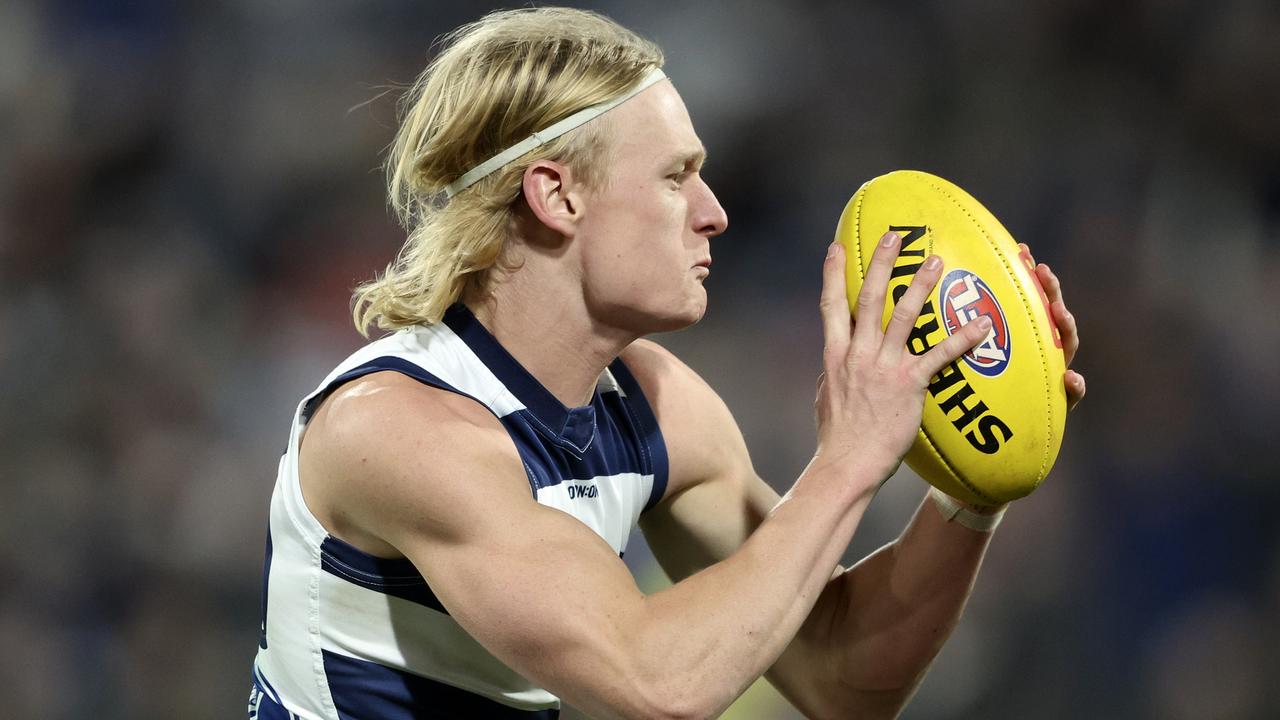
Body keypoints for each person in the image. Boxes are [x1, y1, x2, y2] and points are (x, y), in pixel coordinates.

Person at [248, 7, 1085, 719]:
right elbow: (654, 684)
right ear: (556, 195)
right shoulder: (397, 426)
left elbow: (841, 676)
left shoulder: (659, 406)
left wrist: (975, 478)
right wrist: (852, 460)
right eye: (676, 177)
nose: (715, 214)